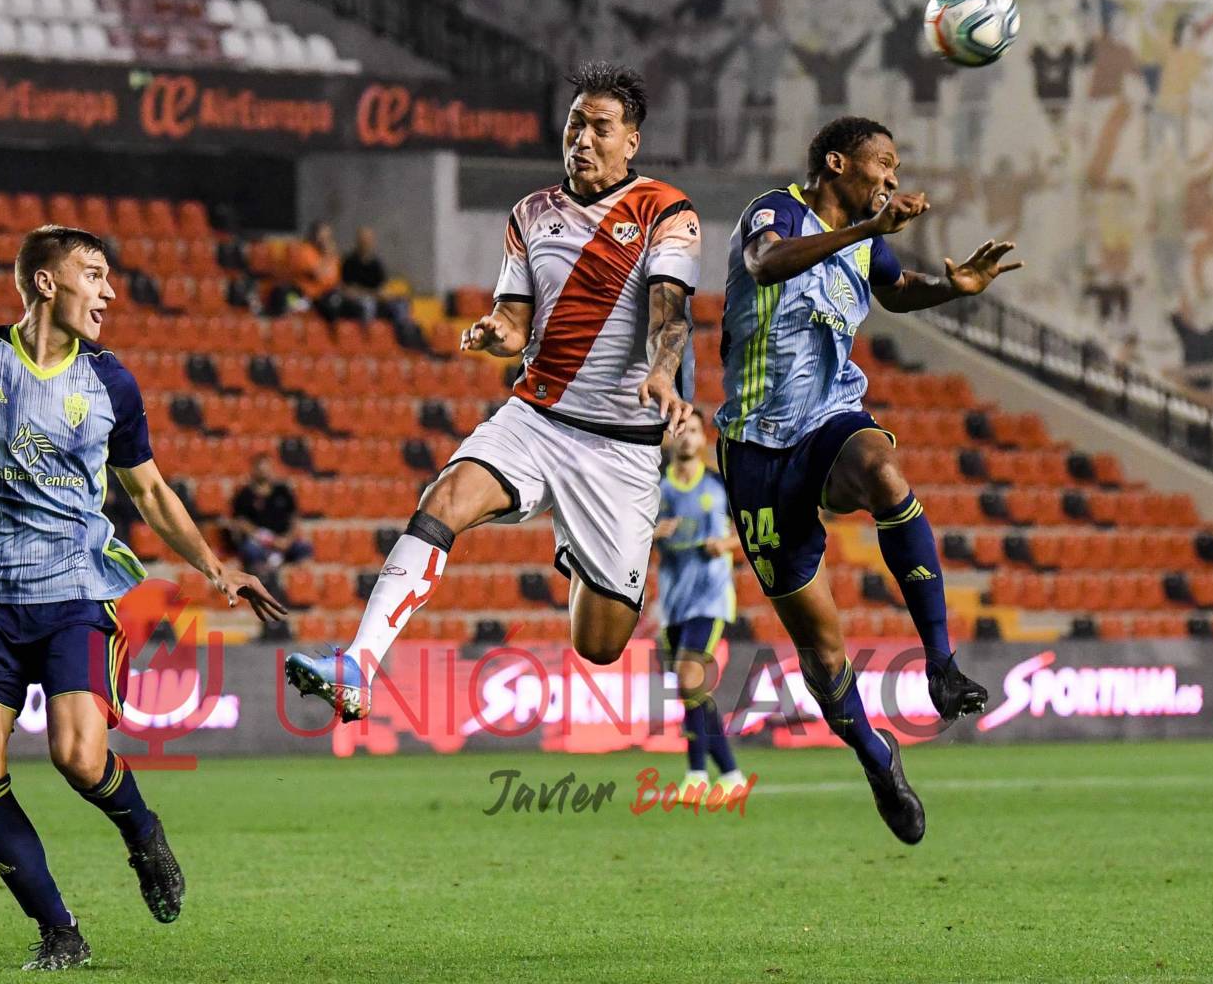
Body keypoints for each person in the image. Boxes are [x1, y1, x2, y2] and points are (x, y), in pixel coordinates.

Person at [0, 225, 288, 970]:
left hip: (74, 595)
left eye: (107, 278)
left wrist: (213, 566)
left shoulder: (110, 382)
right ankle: (59, 930)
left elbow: (150, 490)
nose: (108, 291)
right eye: (93, 275)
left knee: (76, 756)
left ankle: (141, 830)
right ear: (45, 283)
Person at [287, 61, 700, 721]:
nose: (583, 140)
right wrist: (496, 333)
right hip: (536, 418)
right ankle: (357, 664)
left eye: (600, 128)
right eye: (575, 126)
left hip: (620, 448)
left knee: (598, 644)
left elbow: (671, 309)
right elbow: (515, 323)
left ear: (632, 142)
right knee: (443, 496)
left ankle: (589, 549)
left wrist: (661, 368)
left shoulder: (665, 209)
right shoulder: (531, 213)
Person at [718, 117, 1021, 844]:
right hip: (757, 452)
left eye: (893, 167)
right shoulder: (776, 211)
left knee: (885, 472)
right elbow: (764, 265)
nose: (890, 176)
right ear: (836, 162)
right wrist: (865, 230)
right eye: (881, 163)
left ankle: (942, 668)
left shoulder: (864, 240)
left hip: (829, 422)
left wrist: (954, 288)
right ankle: (876, 757)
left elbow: (896, 290)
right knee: (822, 652)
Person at [653, 408, 744, 797]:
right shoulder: (654, 487)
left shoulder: (719, 486)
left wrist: (725, 544)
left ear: (704, 439)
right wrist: (651, 531)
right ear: (668, 439)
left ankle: (695, 777)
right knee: (692, 691)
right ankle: (731, 776)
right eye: (680, 430)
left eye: (693, 430)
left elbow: (749, 531)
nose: (687, 437)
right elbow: (628, 534)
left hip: (710, 597)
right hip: (673, 600)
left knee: (690, 679)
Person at [225, 454, 312, 574]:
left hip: (284, 541)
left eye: (267, 468)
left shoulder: (283, 491)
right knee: (249, 550)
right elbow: (241, 522)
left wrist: (287, 540)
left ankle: (295, 580)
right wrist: (269, 540)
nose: (264, 472)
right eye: (260, 469)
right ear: (254, 470)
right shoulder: (244, 495)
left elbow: (294, 518)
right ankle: (265, 578)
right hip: (258, 542)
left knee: (304, 548)